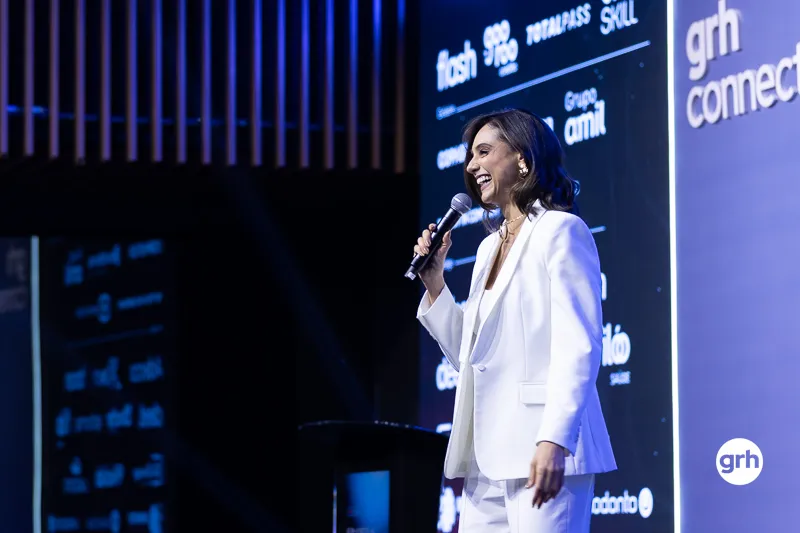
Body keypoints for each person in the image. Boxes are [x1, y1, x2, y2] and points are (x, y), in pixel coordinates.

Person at [413, 108, 616, 532]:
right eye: (471, 156)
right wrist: (435, 285)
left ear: (522, 159)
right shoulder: (488, 248)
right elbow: (472, 357)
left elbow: (579, 346)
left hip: (542, 446)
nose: (472, 165)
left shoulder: (560, 230)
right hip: (486, 458)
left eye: (484, 152)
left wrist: (555, 438)